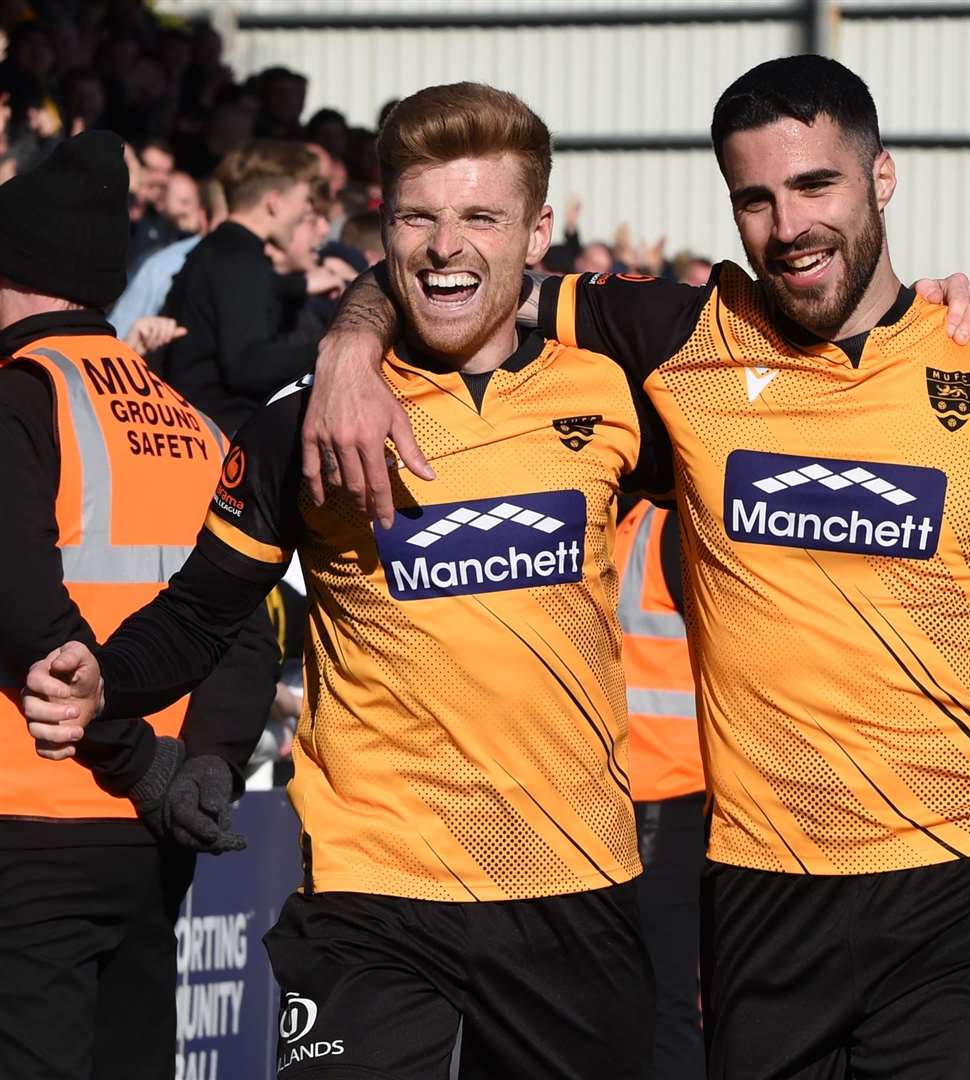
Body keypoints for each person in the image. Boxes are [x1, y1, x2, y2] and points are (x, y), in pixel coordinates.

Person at [305, 57, 970, 1079]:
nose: (788, 226)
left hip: (969, 876)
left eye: (816, 185)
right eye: (754, 199)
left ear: (880, 178)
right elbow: (451, 275)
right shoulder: (679, 337)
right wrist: (348, 351)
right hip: (765, 891)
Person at [27, 82, 675, 1080]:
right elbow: (206, 614)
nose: (445, 246)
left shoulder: (615, 395)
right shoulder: (304, 423)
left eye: (479, 218)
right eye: (417, 215)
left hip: (570, 885)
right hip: (371, 891)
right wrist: (105, 682)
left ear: (537, 232)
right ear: (384, 225)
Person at [0, 131, 277, 1080]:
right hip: (150, 837)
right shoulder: (190, 419)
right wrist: (204, 767)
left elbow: (25, 619)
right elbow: (241, 620)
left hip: (29, 816)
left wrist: (141, 763)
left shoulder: (20, 399)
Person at [159, 139, 350, 433]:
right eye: (303, 202)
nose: (305, 212)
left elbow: (238, 296)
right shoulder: (240, 258)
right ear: (274, 202)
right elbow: (248, 364)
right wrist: (333, 349)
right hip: (218, 430)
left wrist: (299, 285)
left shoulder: (222, 248)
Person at [614, 497, 707, 1080]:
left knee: (665, 990)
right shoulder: (625, 521)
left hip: (668, 789)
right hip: (633, 790)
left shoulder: (666, 524)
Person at [107, 175, 227, 339]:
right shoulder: (161, 263)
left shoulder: (162, 263)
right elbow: (119, 332)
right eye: (183, 202)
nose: (186, 211)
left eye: (188, 203)